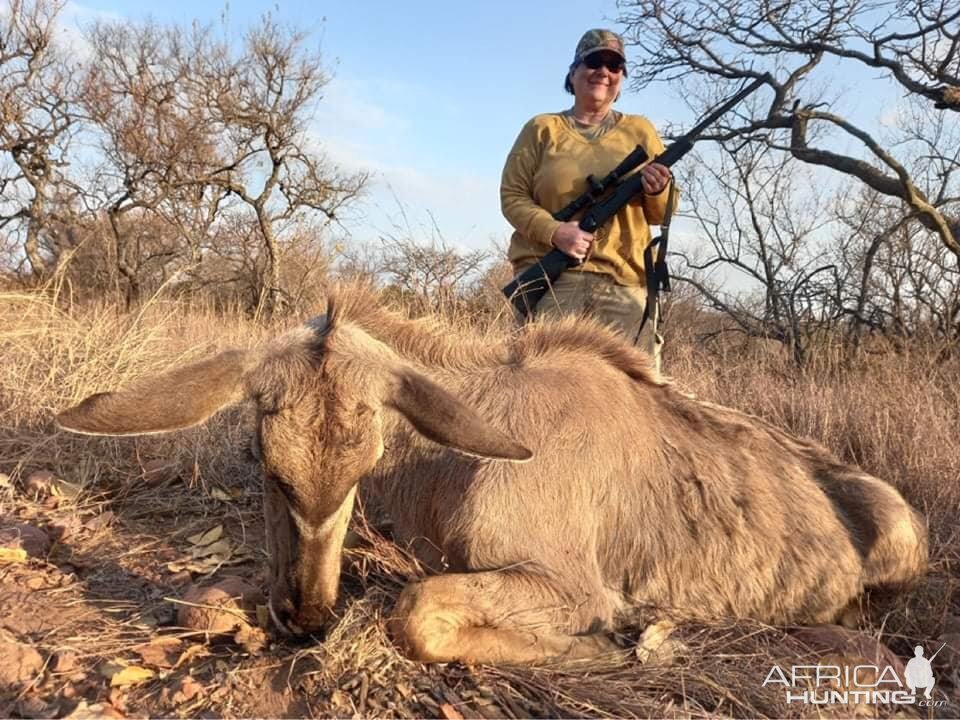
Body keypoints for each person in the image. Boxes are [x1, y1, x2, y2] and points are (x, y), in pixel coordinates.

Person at [500, 28, 677, 371]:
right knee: (540, 390)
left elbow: (660, 214)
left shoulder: (641, 131)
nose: (604, 72)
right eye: (594, 62)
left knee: (635, 400)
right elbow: (512, 196)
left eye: (614, 67)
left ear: (621, 80)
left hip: (623, 285)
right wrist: (556, 232)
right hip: (554, 282)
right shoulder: (542, 128)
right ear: (573, 72)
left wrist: (658, 190)